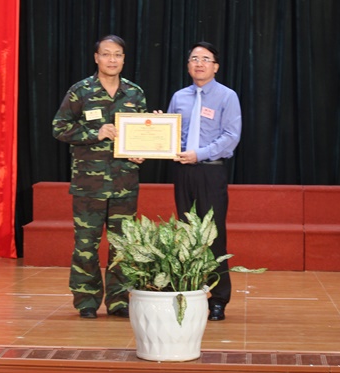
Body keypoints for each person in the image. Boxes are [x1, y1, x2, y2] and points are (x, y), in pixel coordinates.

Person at [52, 35, 146, 319]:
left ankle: (119, 302)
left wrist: (141, 151)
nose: (112, 59)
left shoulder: (135, 93)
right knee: (86, 246)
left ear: (124, 59)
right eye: (106, 54)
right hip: (88, 185)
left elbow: (143, 133)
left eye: (117, 54)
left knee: (123, 246)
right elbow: (59, 127)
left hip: (124, 184)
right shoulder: (81, 91)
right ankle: (86, 301)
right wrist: (96, 133)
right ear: (96, 58)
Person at [167, 41, 242, 321]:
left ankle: (218, 299)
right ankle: (190, 293)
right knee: (186, 234)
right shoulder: (179, 97)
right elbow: (171, 133)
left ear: (215, 66)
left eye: (205, 59)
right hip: (183, 172)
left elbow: (231, 136)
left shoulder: (227, 96)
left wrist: (199, 154)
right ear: (188, 65)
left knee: (213, 236)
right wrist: (159, 130)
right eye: (194, 58)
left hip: (211, 171)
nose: (199, 63)